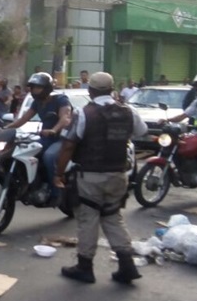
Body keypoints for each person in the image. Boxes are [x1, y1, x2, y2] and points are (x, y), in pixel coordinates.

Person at [55, 72, 148, 284]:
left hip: (91, 176)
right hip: (118, 174)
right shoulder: (128, 111)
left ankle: (85, 266)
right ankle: (127, 265)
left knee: (88, 219)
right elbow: (141, 131)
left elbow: (69, 145)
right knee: (112, 216)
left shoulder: (84, 113)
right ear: (112, 89)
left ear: (91, 91)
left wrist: (58, 173)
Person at [5, 72, 72, 203]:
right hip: (46, 138)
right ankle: (33, 185)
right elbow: (23, 119)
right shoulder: (37, 103)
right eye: (33, 87)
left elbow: (65, 118)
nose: (35, 90)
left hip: (61, 138)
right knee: (26, 154)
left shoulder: (61, 99)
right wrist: (5, 129)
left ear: (47, 88)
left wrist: (54, 130)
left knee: (48, 156)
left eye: (38, 87)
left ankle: (56, 192)